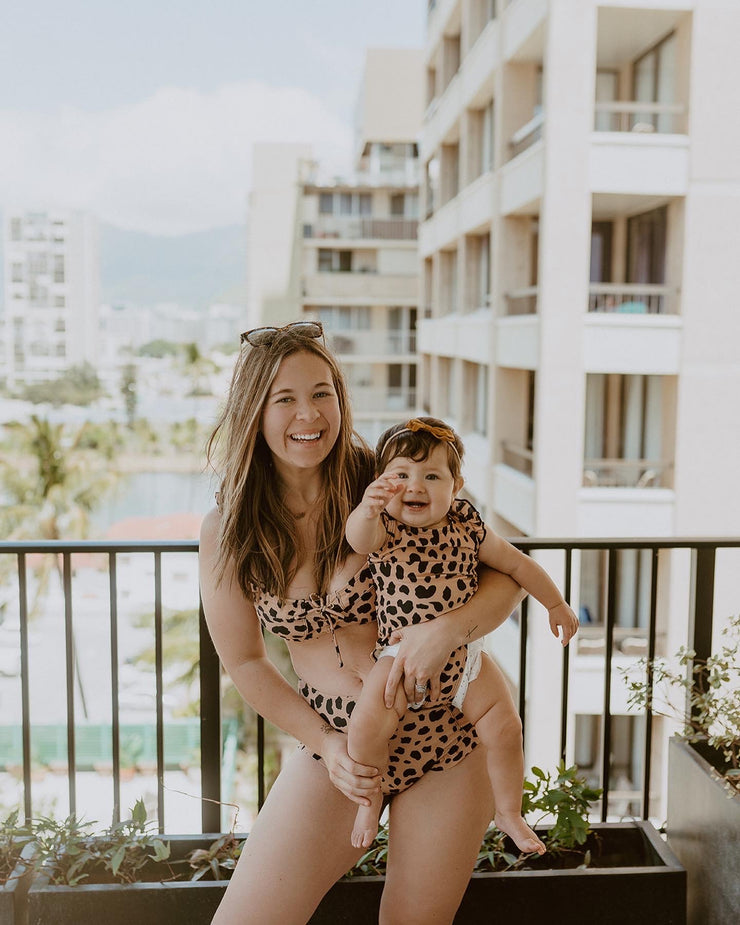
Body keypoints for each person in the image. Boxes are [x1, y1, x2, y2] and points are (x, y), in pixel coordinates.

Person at [199, 321, 525, 925]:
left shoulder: (384, 479)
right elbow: (245, 662)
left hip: (446, 730)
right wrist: (325, 742)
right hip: (338, 745)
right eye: (285, 398)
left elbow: (505, 574)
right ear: (254, 411)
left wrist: (447, 630)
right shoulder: (231, 526)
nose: (309, 414)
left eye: (323, 392)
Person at [345, 417, 579, 853]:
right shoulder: (385, 528)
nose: (415, 486)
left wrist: (555, 603)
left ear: (457, 485)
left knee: (506, 727)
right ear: (381, 482)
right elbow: (357, 540)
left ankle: (509, 811)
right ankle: (370, 798)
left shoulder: (467, 524)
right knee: (365, 727)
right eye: (400, 475)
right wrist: (367, 507)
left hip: (466, 658)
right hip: (397, 656)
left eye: (432, 475)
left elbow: (516, 565)